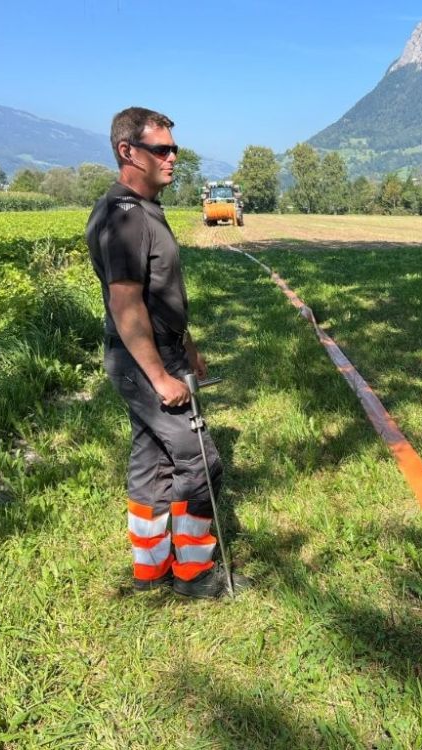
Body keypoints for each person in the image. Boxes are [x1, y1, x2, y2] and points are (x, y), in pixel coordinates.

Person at [86, 107, 243, 598]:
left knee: (151, 461)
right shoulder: (124, 217)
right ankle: (194, 576)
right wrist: (160, 376)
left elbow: (159, 294)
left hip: (160, 351)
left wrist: (188, 346)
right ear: (127, 152)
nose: (173, 157)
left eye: (174, 148)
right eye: (161, 149)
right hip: (144, 361)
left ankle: (151, 568)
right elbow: (126, 302)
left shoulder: (144, 210)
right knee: (200, 461)